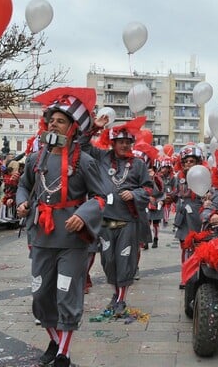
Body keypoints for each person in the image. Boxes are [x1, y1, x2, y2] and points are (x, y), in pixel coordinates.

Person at [16, 87, 106, 367]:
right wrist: (22, 203)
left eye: (61, 120)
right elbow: (23, 185)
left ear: (73, 128)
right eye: (51, 119)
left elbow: (103, 197)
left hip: (72, 241)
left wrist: (84, 213)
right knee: (41, 295)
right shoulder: (36, 158)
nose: (53, 123)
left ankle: (63, 356)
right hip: (42, 236)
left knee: (67, 293)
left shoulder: (85, 161)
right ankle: (55, 342)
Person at [79, 114, 152, 316]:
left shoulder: (138, 165)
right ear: (113, 143)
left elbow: (148, 189)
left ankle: (121, 299)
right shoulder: (102, 157)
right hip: (106, 220)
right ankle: (115, 293)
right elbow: (82, 145)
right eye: (120, 142)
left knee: (124, 259)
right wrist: (94, 128)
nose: (124, 145)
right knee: (108, 260)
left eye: (128, 142)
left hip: (127, 220)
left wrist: (134, 194)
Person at [171, 143, 207, 287]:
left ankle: (196, 274)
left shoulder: (204, 175)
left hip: (197, 215)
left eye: (191, 161)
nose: (187, 164)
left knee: (197, 246)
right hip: (182, 215)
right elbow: (174, 193)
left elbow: (208, 194)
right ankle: (185, 276)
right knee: (184, 246)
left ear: (198, 162)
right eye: (185, 161)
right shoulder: (178, 176)